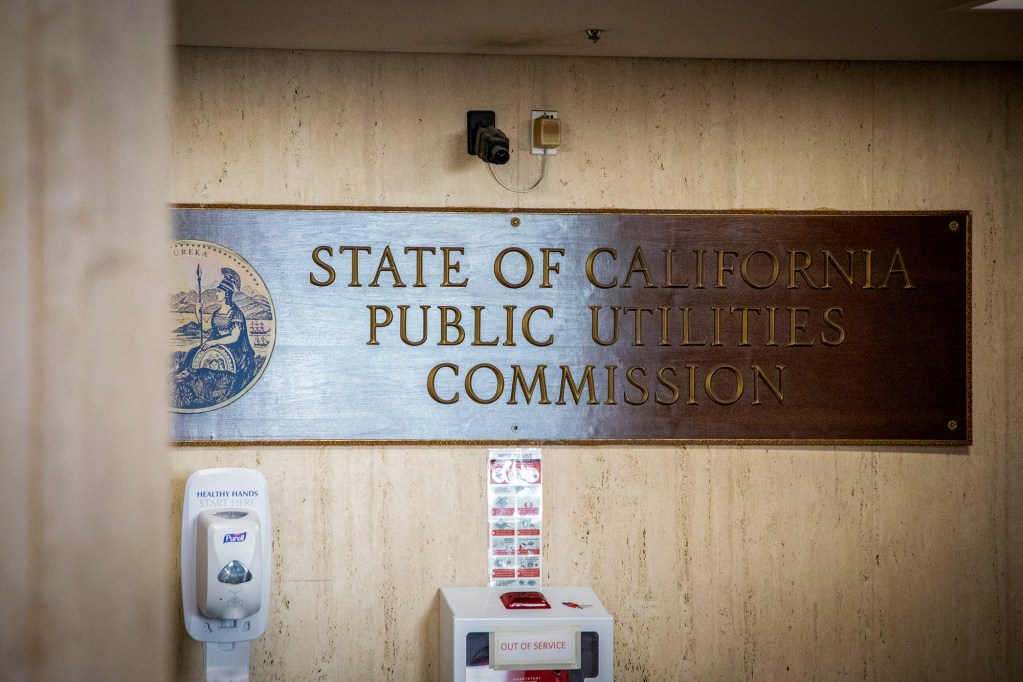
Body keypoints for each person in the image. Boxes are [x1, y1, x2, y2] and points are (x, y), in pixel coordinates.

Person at [178, 267, 256, 406]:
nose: (216, 294)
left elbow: (234, 337)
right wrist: (198, 313)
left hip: (233, 348)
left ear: (226, 294)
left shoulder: (236, 313)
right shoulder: (217, 311)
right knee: (192, 352)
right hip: (217, 342)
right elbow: (206, 327)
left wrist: (214, 343)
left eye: (219, 292)